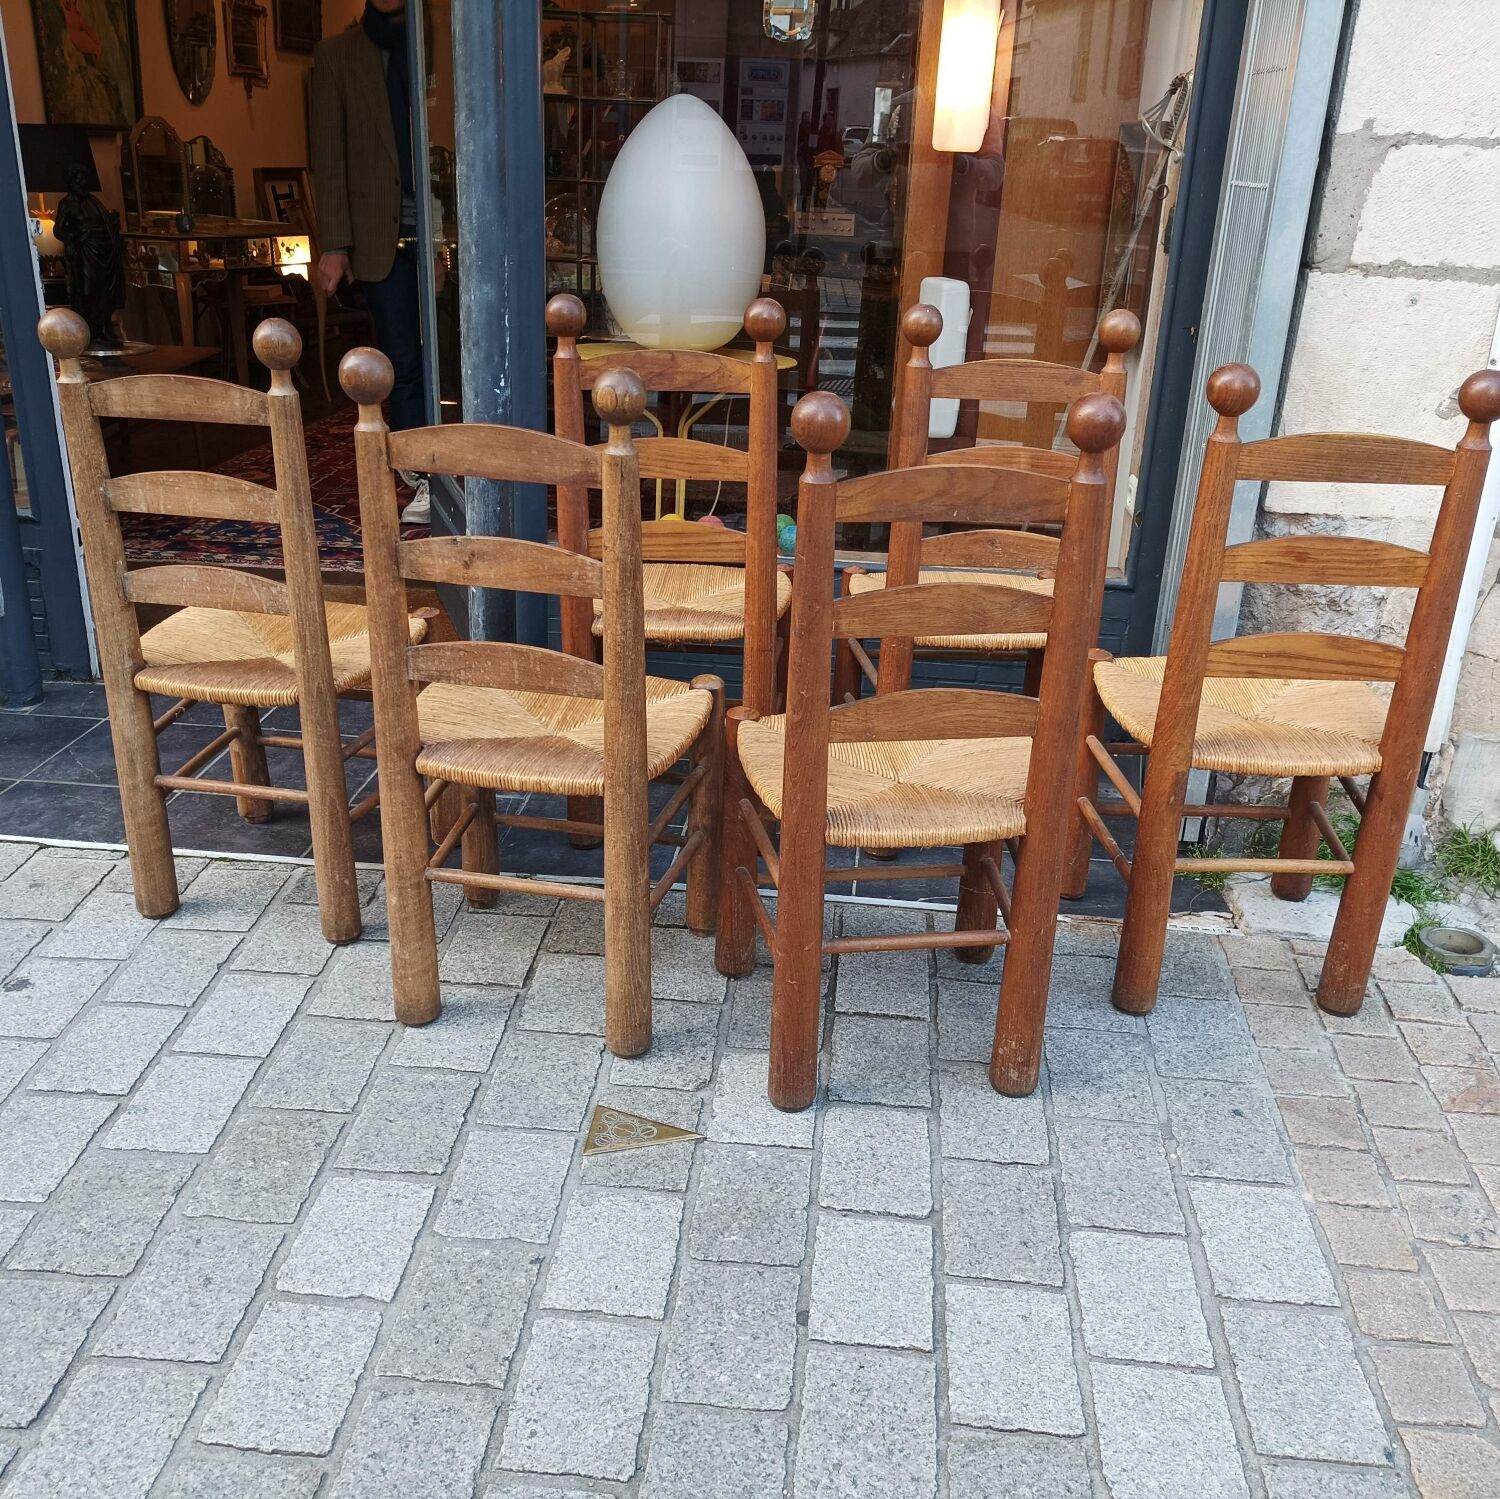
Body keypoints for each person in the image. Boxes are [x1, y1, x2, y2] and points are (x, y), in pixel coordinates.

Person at [311, 0, 431, 522]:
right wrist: (335, 245)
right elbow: (329, 156)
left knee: (453, 361)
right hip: (379, 234)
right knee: (402, 361)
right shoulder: (337, 56)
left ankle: (466, 462)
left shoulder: (438, 43)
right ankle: (422, 474)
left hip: (439, 226)